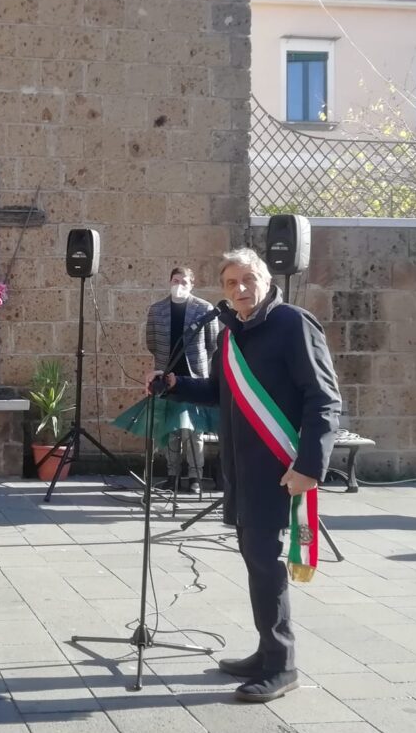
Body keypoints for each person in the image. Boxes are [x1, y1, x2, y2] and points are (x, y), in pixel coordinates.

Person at [144, 248, 340, 703]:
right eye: (231, 283)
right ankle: (266, 650)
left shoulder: (294, 324)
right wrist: (175, 385)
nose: (240, 290)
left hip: (281, 470)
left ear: (266, 279)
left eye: (248, 279)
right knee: (257, 562)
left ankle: (281, 665)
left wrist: (310, 466)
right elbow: (219, 391)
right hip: (242, 471)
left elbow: (324, 399)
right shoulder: (230, 334)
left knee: (268, 566)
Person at [113, 266, 219, 494]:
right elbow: (152, 342)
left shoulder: (204, 309)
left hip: (193, 379)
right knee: (170, 430)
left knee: (193, 431)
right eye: (175, 280)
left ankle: (195, 477)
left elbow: (212, 345)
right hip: (166, 378)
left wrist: (199, 368)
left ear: (192, 285)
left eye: (184, 281)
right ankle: (172, 475)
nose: (179, 285)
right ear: (169, 281)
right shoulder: (157, 309)